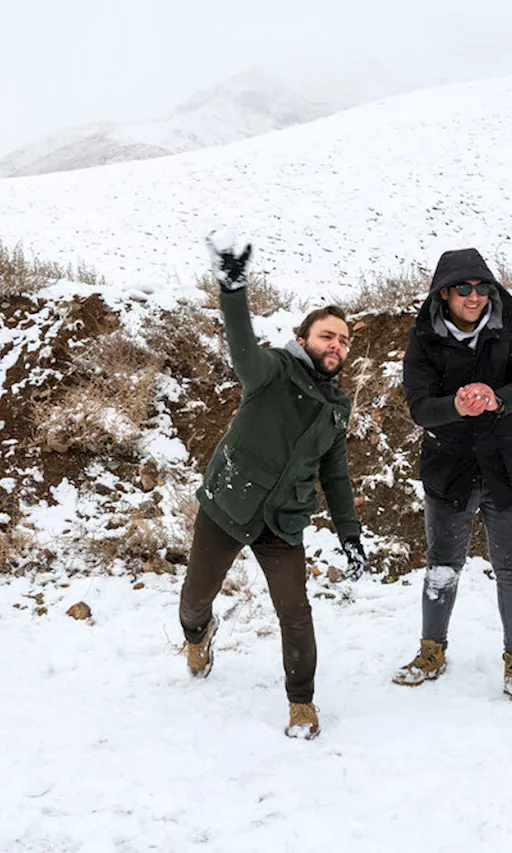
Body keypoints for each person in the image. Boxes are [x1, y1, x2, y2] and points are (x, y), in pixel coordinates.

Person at [179, 231, 367, 740]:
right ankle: (198, 634)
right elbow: (240, 345)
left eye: (344, 339)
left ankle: (301, 702)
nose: (337, 345)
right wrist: (233, 289)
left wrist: (349, 534)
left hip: (282, 520)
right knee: (196, 598)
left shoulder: (336, 407)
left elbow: (336, 473)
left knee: (295, 613)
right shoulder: (271, 372)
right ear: (303, 338)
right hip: (228, 503)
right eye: (328, 335)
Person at [394, 248, 512, 703]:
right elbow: (419, 406)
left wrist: (496, 398)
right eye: (464, 288)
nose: (475, 296)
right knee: (442, 566)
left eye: (482, 288)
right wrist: (455, 406)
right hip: (450, 470)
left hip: (509, 468)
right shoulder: (424, 338)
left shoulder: (509, 327)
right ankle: (431, 651)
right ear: (445, 294)